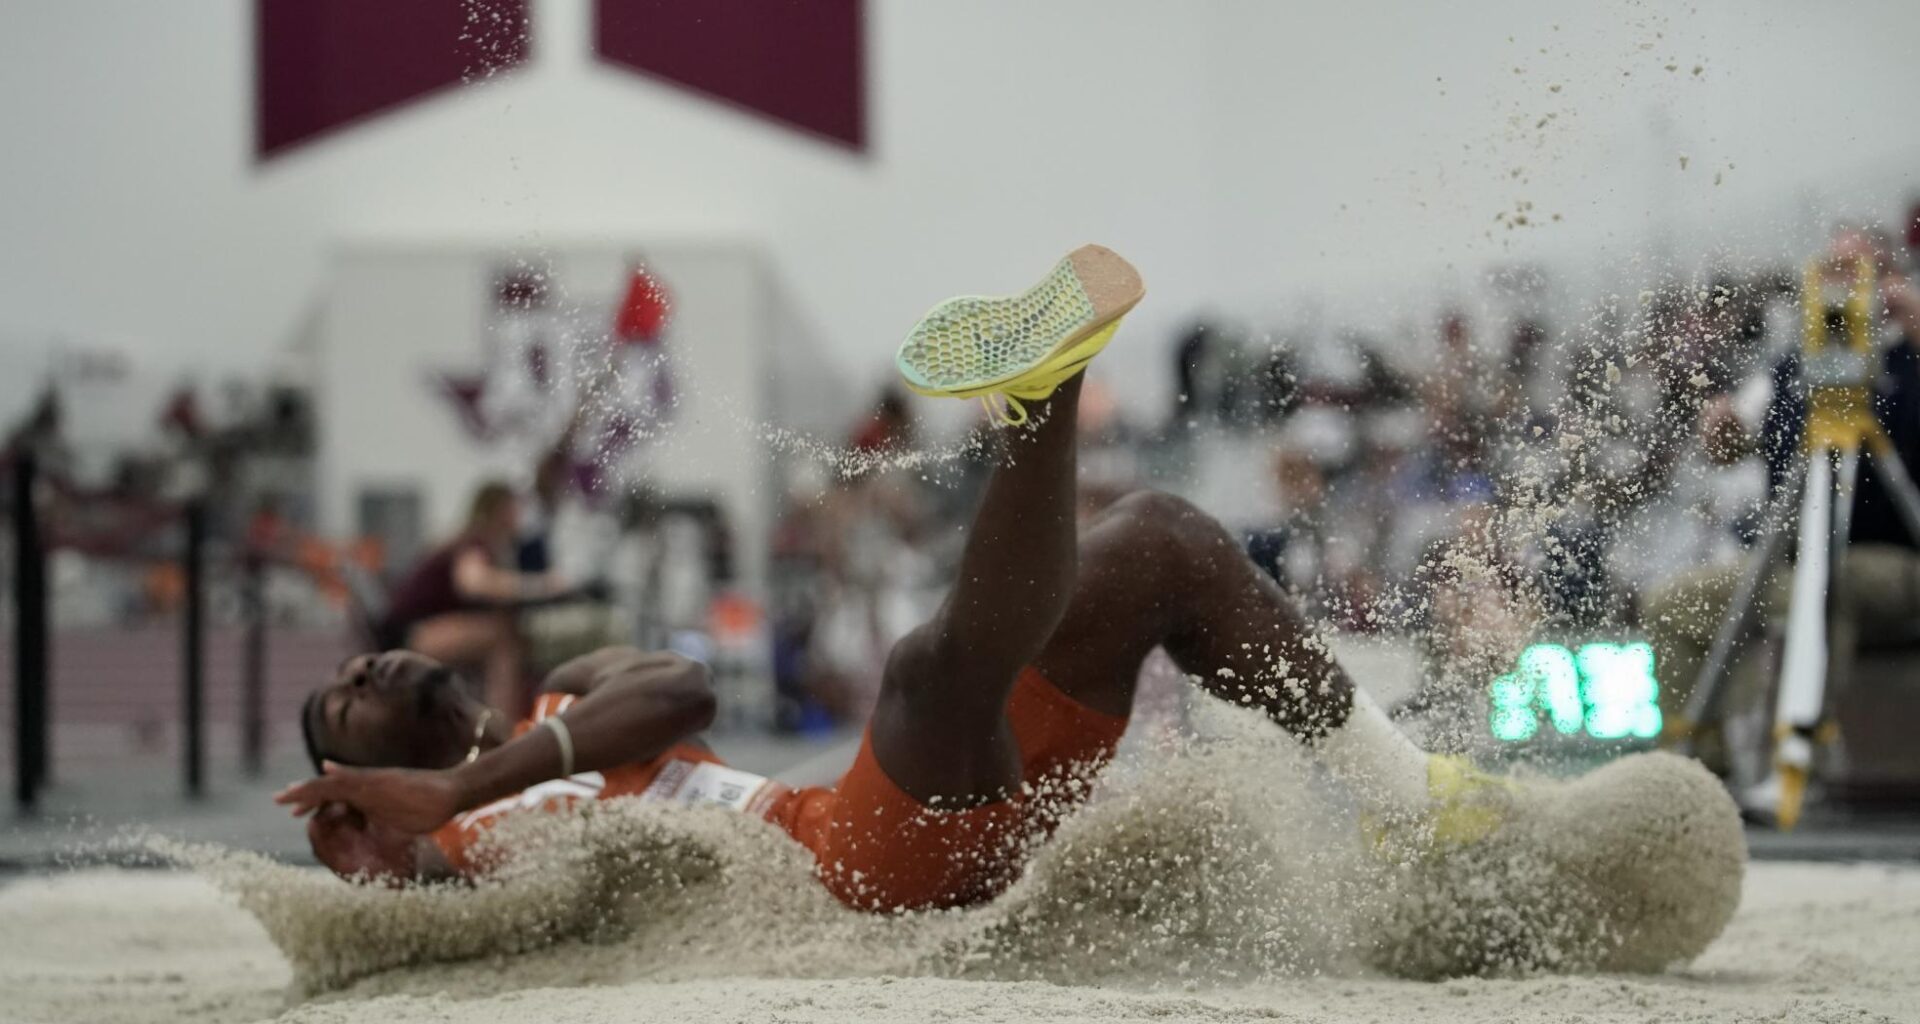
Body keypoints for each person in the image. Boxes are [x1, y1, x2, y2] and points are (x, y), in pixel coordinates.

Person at [279, 247, 1570, 909]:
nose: (365, 667)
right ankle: (1039, 394)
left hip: (874, 826)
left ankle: (1420, 797)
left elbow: (671, 692)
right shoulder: (442, 857)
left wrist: (463, 773)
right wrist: (391, 844)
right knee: (921, 670)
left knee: (1170, 538)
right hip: (848, 889)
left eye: (356, 666)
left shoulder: (560, 702)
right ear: (358, 791)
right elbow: (400, 928)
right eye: (344, 703)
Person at [1647, 225, 1920, 763]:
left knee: (1825, 587)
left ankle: (1798, 762)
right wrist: (1721, 431)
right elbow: (1728, 444)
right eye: (1833, 271)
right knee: (1671, 605)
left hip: (1894, 559)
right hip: (1794, 559)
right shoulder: (1794, 367)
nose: (1842, 287)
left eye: (1855, 271)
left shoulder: (1909, 357)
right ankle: (1698, 764)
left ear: (1888, 281)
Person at [378, 481, 570, 716]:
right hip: (410, 634)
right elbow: (474, 583)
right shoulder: (475, 542)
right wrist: (538, 585)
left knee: (509, 631)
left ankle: (503, 717)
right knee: (503, 638)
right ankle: (501, 725)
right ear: (499, 510)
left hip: (418, 628)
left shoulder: (476, 541)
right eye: (514, 508)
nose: (520, 516)